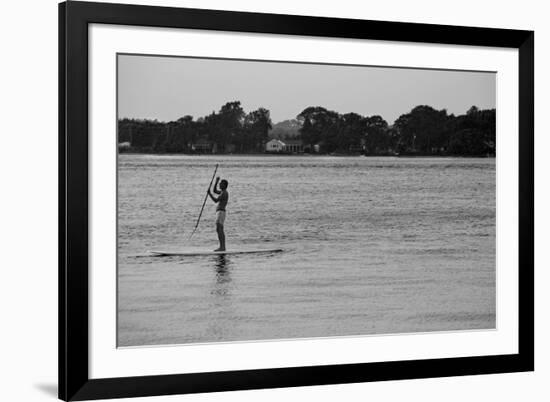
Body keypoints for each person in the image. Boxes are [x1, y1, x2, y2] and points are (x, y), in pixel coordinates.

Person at [207, 177, 229, 251]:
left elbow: (215, 200)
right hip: (220, 213)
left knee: (219, 229)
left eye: (221, 183)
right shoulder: (223, 192)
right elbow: (215, 190)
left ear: (224, 185)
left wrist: (209, 194)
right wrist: (216, 181)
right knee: (219, 229)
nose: (219, 184)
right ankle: (222, 247)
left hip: (221, 213)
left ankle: (222, 247)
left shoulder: (224, 193)